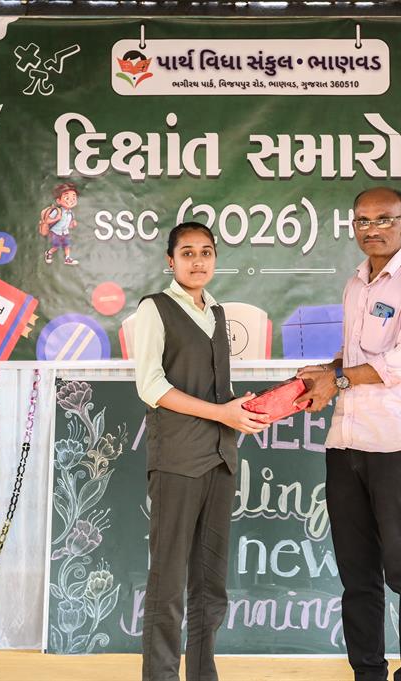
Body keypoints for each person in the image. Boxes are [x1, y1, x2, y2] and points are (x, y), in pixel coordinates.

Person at [295, 187, 401, 681]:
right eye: (362, 220)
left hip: (394, 444)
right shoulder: (355, 283)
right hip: (345, 444)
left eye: (383, 219)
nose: (371, 229)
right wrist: (326, 372)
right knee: (357, 575)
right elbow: (354, 357)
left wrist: (337, 379)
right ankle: (367, 672)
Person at [133, 222, 270, 681]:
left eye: (206, 252)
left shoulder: (217, 312)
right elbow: (151, 387)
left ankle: (202, 675)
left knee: (211, 585)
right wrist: (220, 413)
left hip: (220, 459)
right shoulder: (154, 309)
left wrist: (241, 410)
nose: (197, 261)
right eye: (187, 252)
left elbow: (216, 389)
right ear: (170, 261)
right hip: (177, 460)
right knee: (168, 582)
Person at [40, 182, 79, 265]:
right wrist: (56, 218)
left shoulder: (71, 213)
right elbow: (47, 221)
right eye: (67, 198)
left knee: (67, 245)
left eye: (74, 197)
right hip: (56, 232)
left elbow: (69, 224)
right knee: (56, 246)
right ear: (59, 201)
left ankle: (67, 258)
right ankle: (49, 253)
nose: (71, 200)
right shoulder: (57, 211)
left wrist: (72, 224)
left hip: (65, 232)